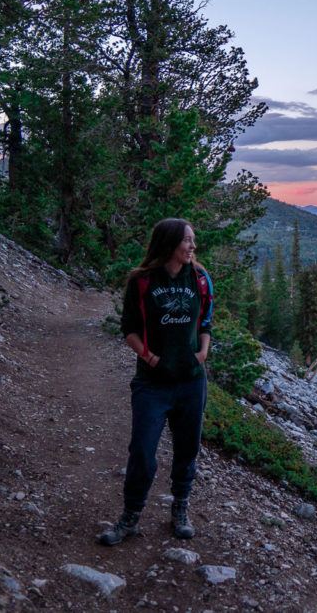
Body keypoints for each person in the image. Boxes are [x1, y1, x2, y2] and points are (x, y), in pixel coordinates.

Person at [98, 218, 214, 545]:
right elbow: (129, 329)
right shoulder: (142, 281)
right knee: (142, 451)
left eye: (193, 241)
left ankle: (180, 509)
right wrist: (150, 358)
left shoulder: (201, 280)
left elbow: (206, 322)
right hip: (152, 383)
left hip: (191, 381)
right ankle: (131, 516)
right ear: (169, 243)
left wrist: (201, 354)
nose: (193, 246)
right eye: (187, 241)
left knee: (187, 448)